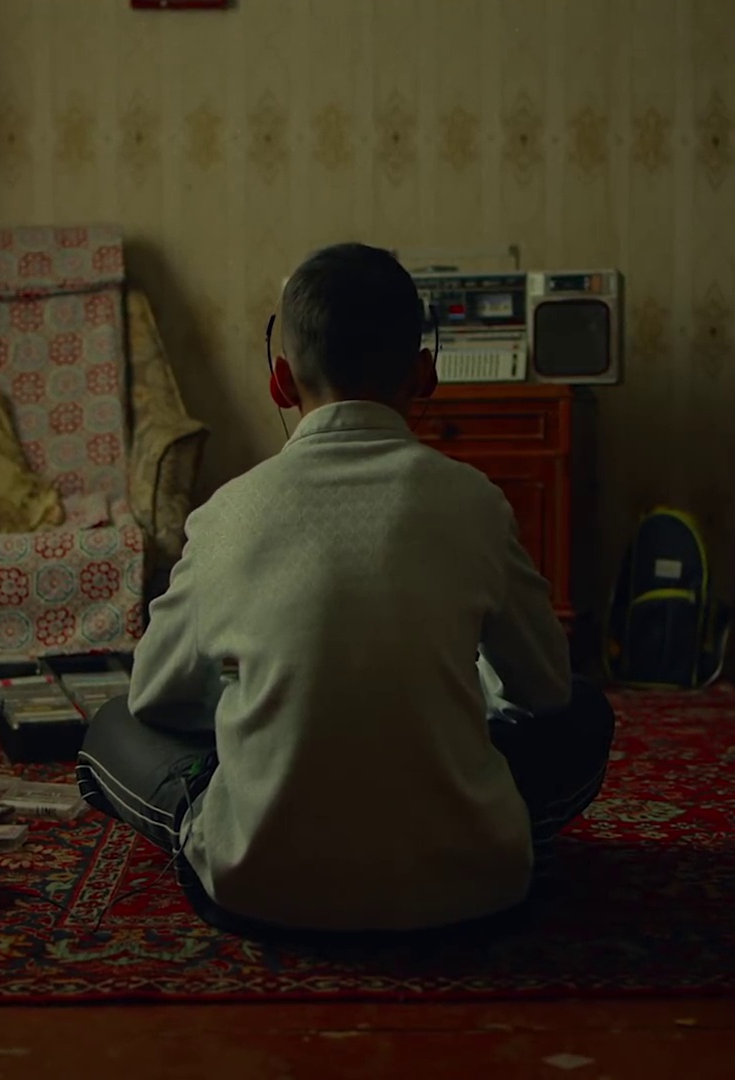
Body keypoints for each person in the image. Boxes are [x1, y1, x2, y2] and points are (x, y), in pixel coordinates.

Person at [75, 242, 616, 935]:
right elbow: (545, 689)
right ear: (425, 374)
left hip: (256, 890)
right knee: (586, 710)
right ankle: (487, 830)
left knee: (113, 725)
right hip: (471, 894)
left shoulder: (225, 514)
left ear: (280, 382)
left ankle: (220, 829)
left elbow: (155, 695)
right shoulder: (476, 502)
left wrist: (264, 697)